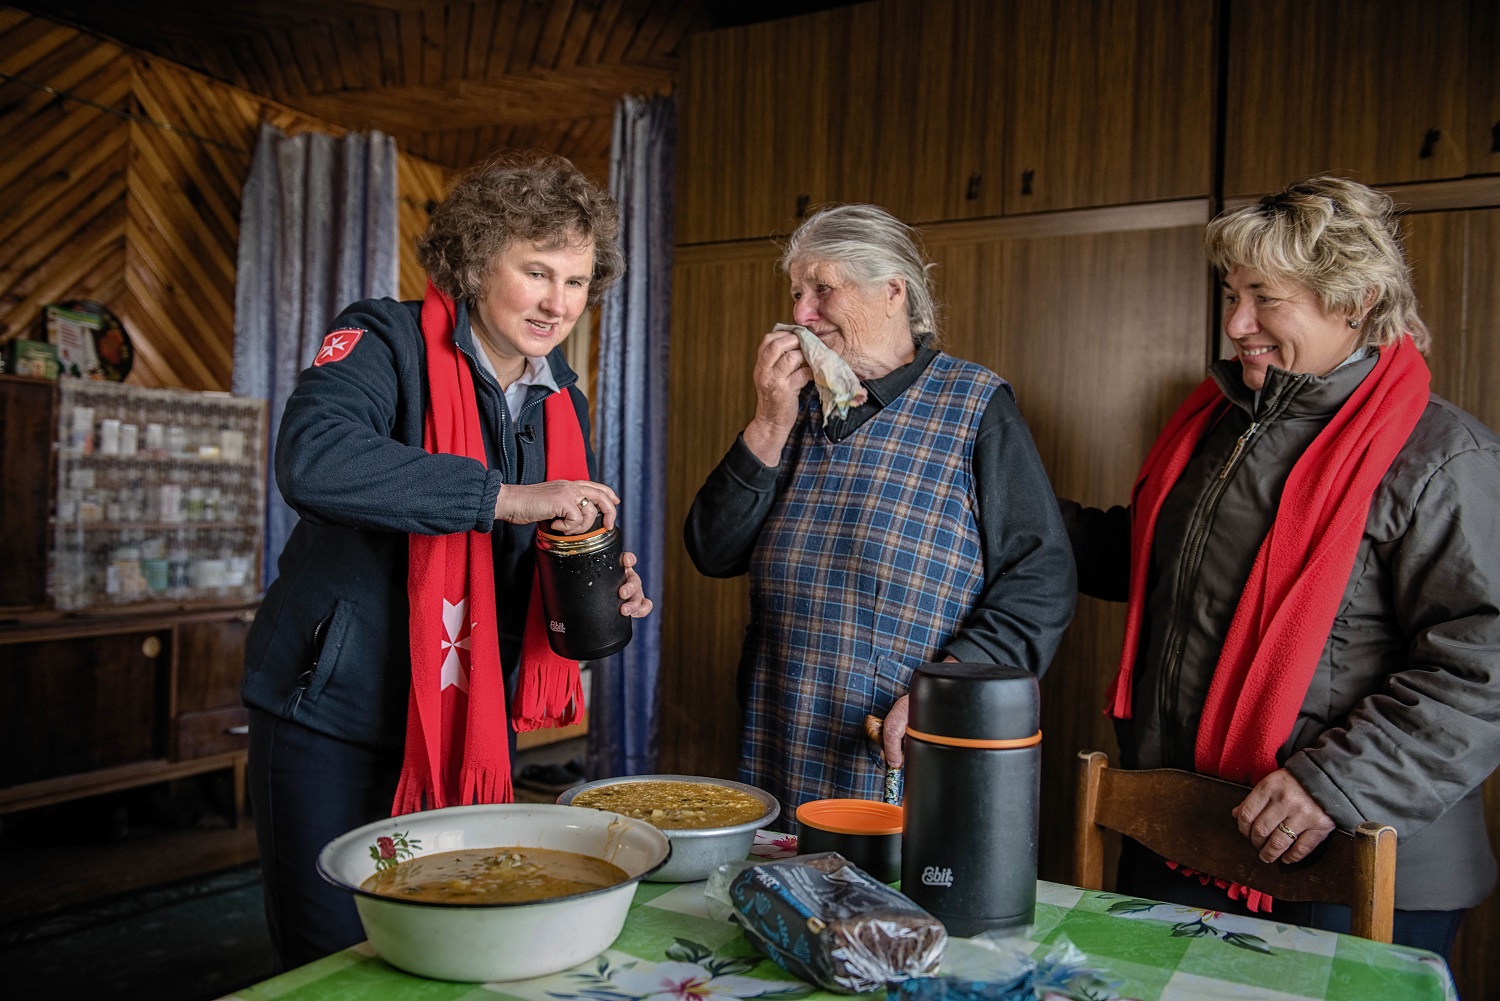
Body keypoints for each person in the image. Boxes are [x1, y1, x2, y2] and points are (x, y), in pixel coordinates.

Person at [1060, 175, 1500, 958]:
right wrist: (1005, 510)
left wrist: (1334, 783)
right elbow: (1155, 563)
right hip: (1189, 828)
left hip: (1348, 856)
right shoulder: (1220, 426)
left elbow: (1484, 665)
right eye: (1232, 294)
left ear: (1354, 298)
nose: (1237, 324)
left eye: (1265, 297)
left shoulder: (1443, 457)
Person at [240, 153, 654, 969]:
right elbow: (314, 460)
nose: (557, 303)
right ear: (473, 263)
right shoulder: (381, 341)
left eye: (575, 282)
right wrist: (505, 496)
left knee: (449, 930)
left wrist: (595, 580)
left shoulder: (560, 397)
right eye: (536, 271)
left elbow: (520, 557)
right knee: (331, 951)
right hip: (330, 710)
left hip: (471, 710)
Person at [685, 203, 1076, 817]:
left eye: (823, 289)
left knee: (892, 903)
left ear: (893, 290)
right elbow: (713, 550)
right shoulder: (798, 407)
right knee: (790, 900)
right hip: (780, 721)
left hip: (899, 735)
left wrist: (944, 689)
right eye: (796, 293)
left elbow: (1041, 577)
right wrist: (768, 422)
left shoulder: (975, 405)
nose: (801, 313)